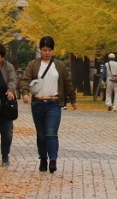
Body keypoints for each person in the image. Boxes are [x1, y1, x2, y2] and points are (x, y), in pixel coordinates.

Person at [21, 36, 76, 173]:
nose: (47, 53)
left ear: (53, 51)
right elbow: (25, 80)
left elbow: (67, 83)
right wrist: (25, 93)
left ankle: (53, 159)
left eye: (49, 50)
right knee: (41, 135)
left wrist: (73, 99)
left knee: (51, 133)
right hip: (38, 103)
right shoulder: (33, 65)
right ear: (40, 50)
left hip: (54, 103)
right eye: (44, 50)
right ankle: (43, 158)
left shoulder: (59, 66)